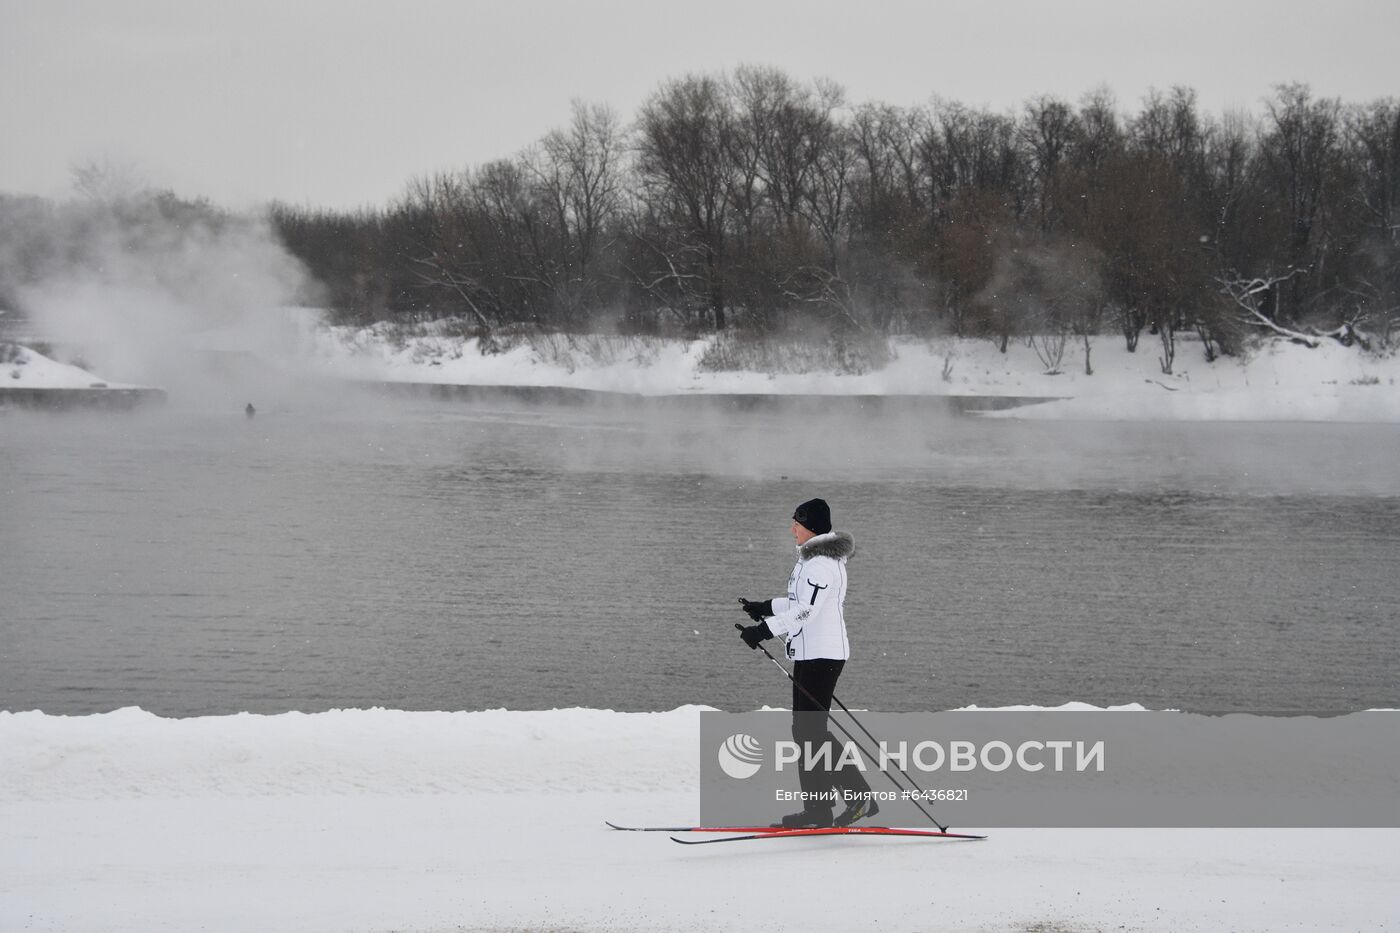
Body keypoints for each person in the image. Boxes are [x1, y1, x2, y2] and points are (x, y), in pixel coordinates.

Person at [738, 498, 878, 828]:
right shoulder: (816, 559)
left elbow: (806, 612)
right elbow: (799, 602)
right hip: (810, 653)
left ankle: (853, 800)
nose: (792, 529)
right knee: (807, 733)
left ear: (811, 527)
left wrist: (763, 630)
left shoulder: (819, 565)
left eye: (796, 524)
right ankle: (820, 808)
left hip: (822, 656)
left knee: (811, 733)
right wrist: (765, 607)